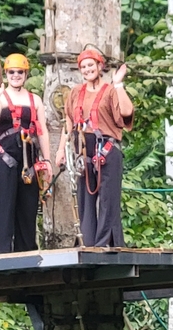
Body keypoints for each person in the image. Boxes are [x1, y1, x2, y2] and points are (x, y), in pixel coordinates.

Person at [54, 48, 134, 248]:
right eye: (83, 66)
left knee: (108, 198)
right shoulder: (75, 93)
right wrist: (61, 150)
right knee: (85, 199)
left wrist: (119, 84)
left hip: (107, 148)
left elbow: (126, 112)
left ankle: (106, 242)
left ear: (100, 66)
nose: (87, 69)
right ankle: (89, 242)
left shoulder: (110, 91)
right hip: (83, 150)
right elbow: (69, 124)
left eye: (91, 65)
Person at [0, 53, 52, 254]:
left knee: (27, 205)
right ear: (6, 73)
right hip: (5, 156)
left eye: (19, 72)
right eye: (12, 72)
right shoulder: (0, 96)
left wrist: (46, 160)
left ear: (25, 74)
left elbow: (42, 131)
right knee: (2, 204)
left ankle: (26, 249)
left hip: (28, 158)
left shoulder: (35, 100)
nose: (16, 75)